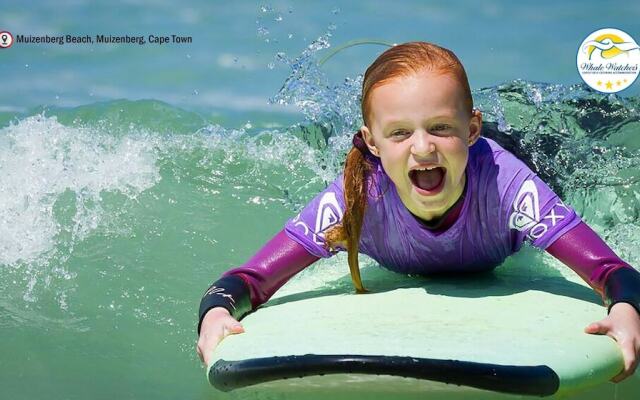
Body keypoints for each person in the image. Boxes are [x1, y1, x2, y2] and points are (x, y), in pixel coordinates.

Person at [196, 42, 640, 383]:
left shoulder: (509, 185)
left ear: (470, 129)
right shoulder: (355, 199)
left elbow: (613, 271)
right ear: (372, 143)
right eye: (400, 132)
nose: (423, 147)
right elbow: (248, 281)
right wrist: (217, 311)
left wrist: (625, 306)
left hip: (516, 153)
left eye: (441, 127)